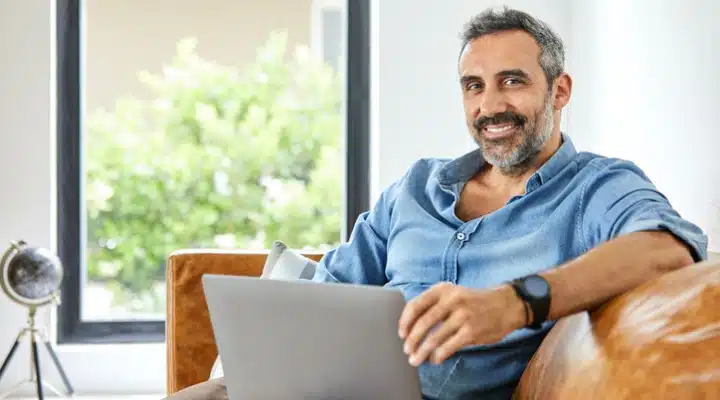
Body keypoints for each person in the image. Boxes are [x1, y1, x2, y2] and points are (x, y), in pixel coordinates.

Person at [310, 6, 708, 400]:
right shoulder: (415, 188)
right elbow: (320, 297)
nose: (490, 106)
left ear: (560, 90)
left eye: (512, 81)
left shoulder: (596, 187)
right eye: (474, 86)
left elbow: (668, 248)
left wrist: (516, 302)